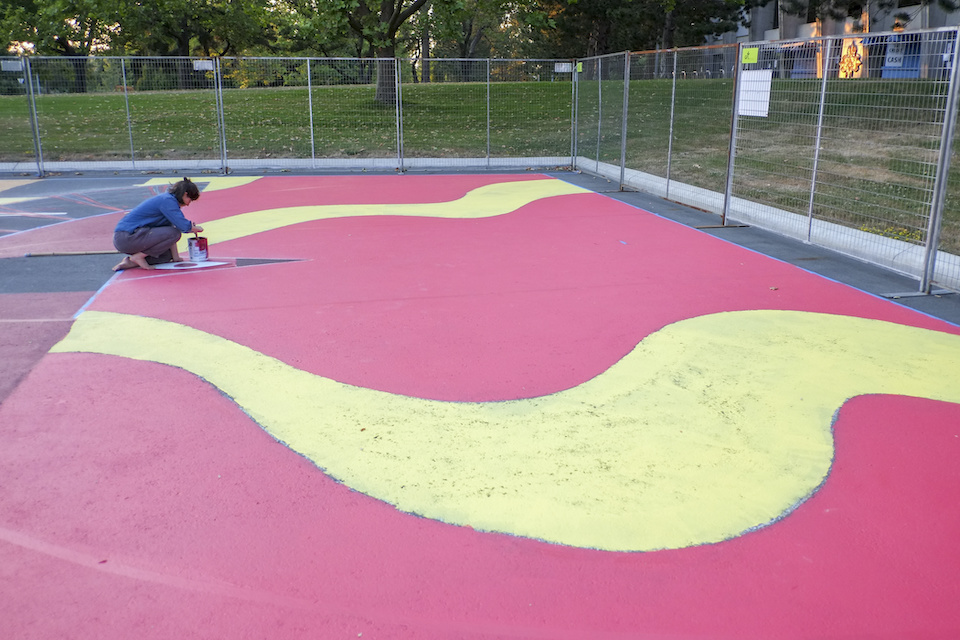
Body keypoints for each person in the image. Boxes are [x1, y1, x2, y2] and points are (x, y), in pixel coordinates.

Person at [112, 177, 205, 271]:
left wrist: (176, 258)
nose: (188, 204)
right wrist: (195, 228)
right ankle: (139, 257)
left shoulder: (167, 201)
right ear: (185, 194)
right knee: (174, 233)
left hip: (130, 237)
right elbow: (183, 227)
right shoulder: (168, 201)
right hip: (126, 237)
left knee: (166, 256)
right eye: (190, 200)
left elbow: (171, 230)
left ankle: (131, 262)